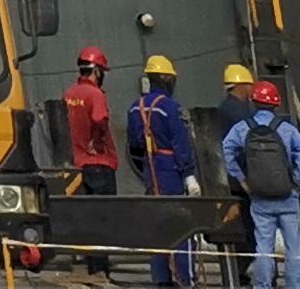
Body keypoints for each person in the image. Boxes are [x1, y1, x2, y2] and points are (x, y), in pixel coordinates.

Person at [221, 80, 300, 289]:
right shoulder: (286, 129)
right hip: (287, 196)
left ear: (254, 102)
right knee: (294, 247)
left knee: (263, 247)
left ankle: (262, 285)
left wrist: (242, 179)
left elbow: (226, 150)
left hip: (259, 196)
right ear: (276, 103)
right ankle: (297, 286)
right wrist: (296, 180)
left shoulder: (243, 128)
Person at [128, 53, 199, 289]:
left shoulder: (134, 108)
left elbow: (134, 145)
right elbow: (181, 142)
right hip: (171, 171)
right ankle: (185, 279)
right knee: (181, 225)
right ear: (167, 79)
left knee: (157, 225)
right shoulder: (170, 107)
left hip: (150, 171)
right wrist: (189, 174)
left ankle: (161, 279)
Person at [60, 46, 122, 192]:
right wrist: (98, 144)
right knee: (104, 207)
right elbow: (99, 120)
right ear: (96, 71)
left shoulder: (69, 94)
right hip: (99, 165)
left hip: (76, 166)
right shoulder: (95, 94)